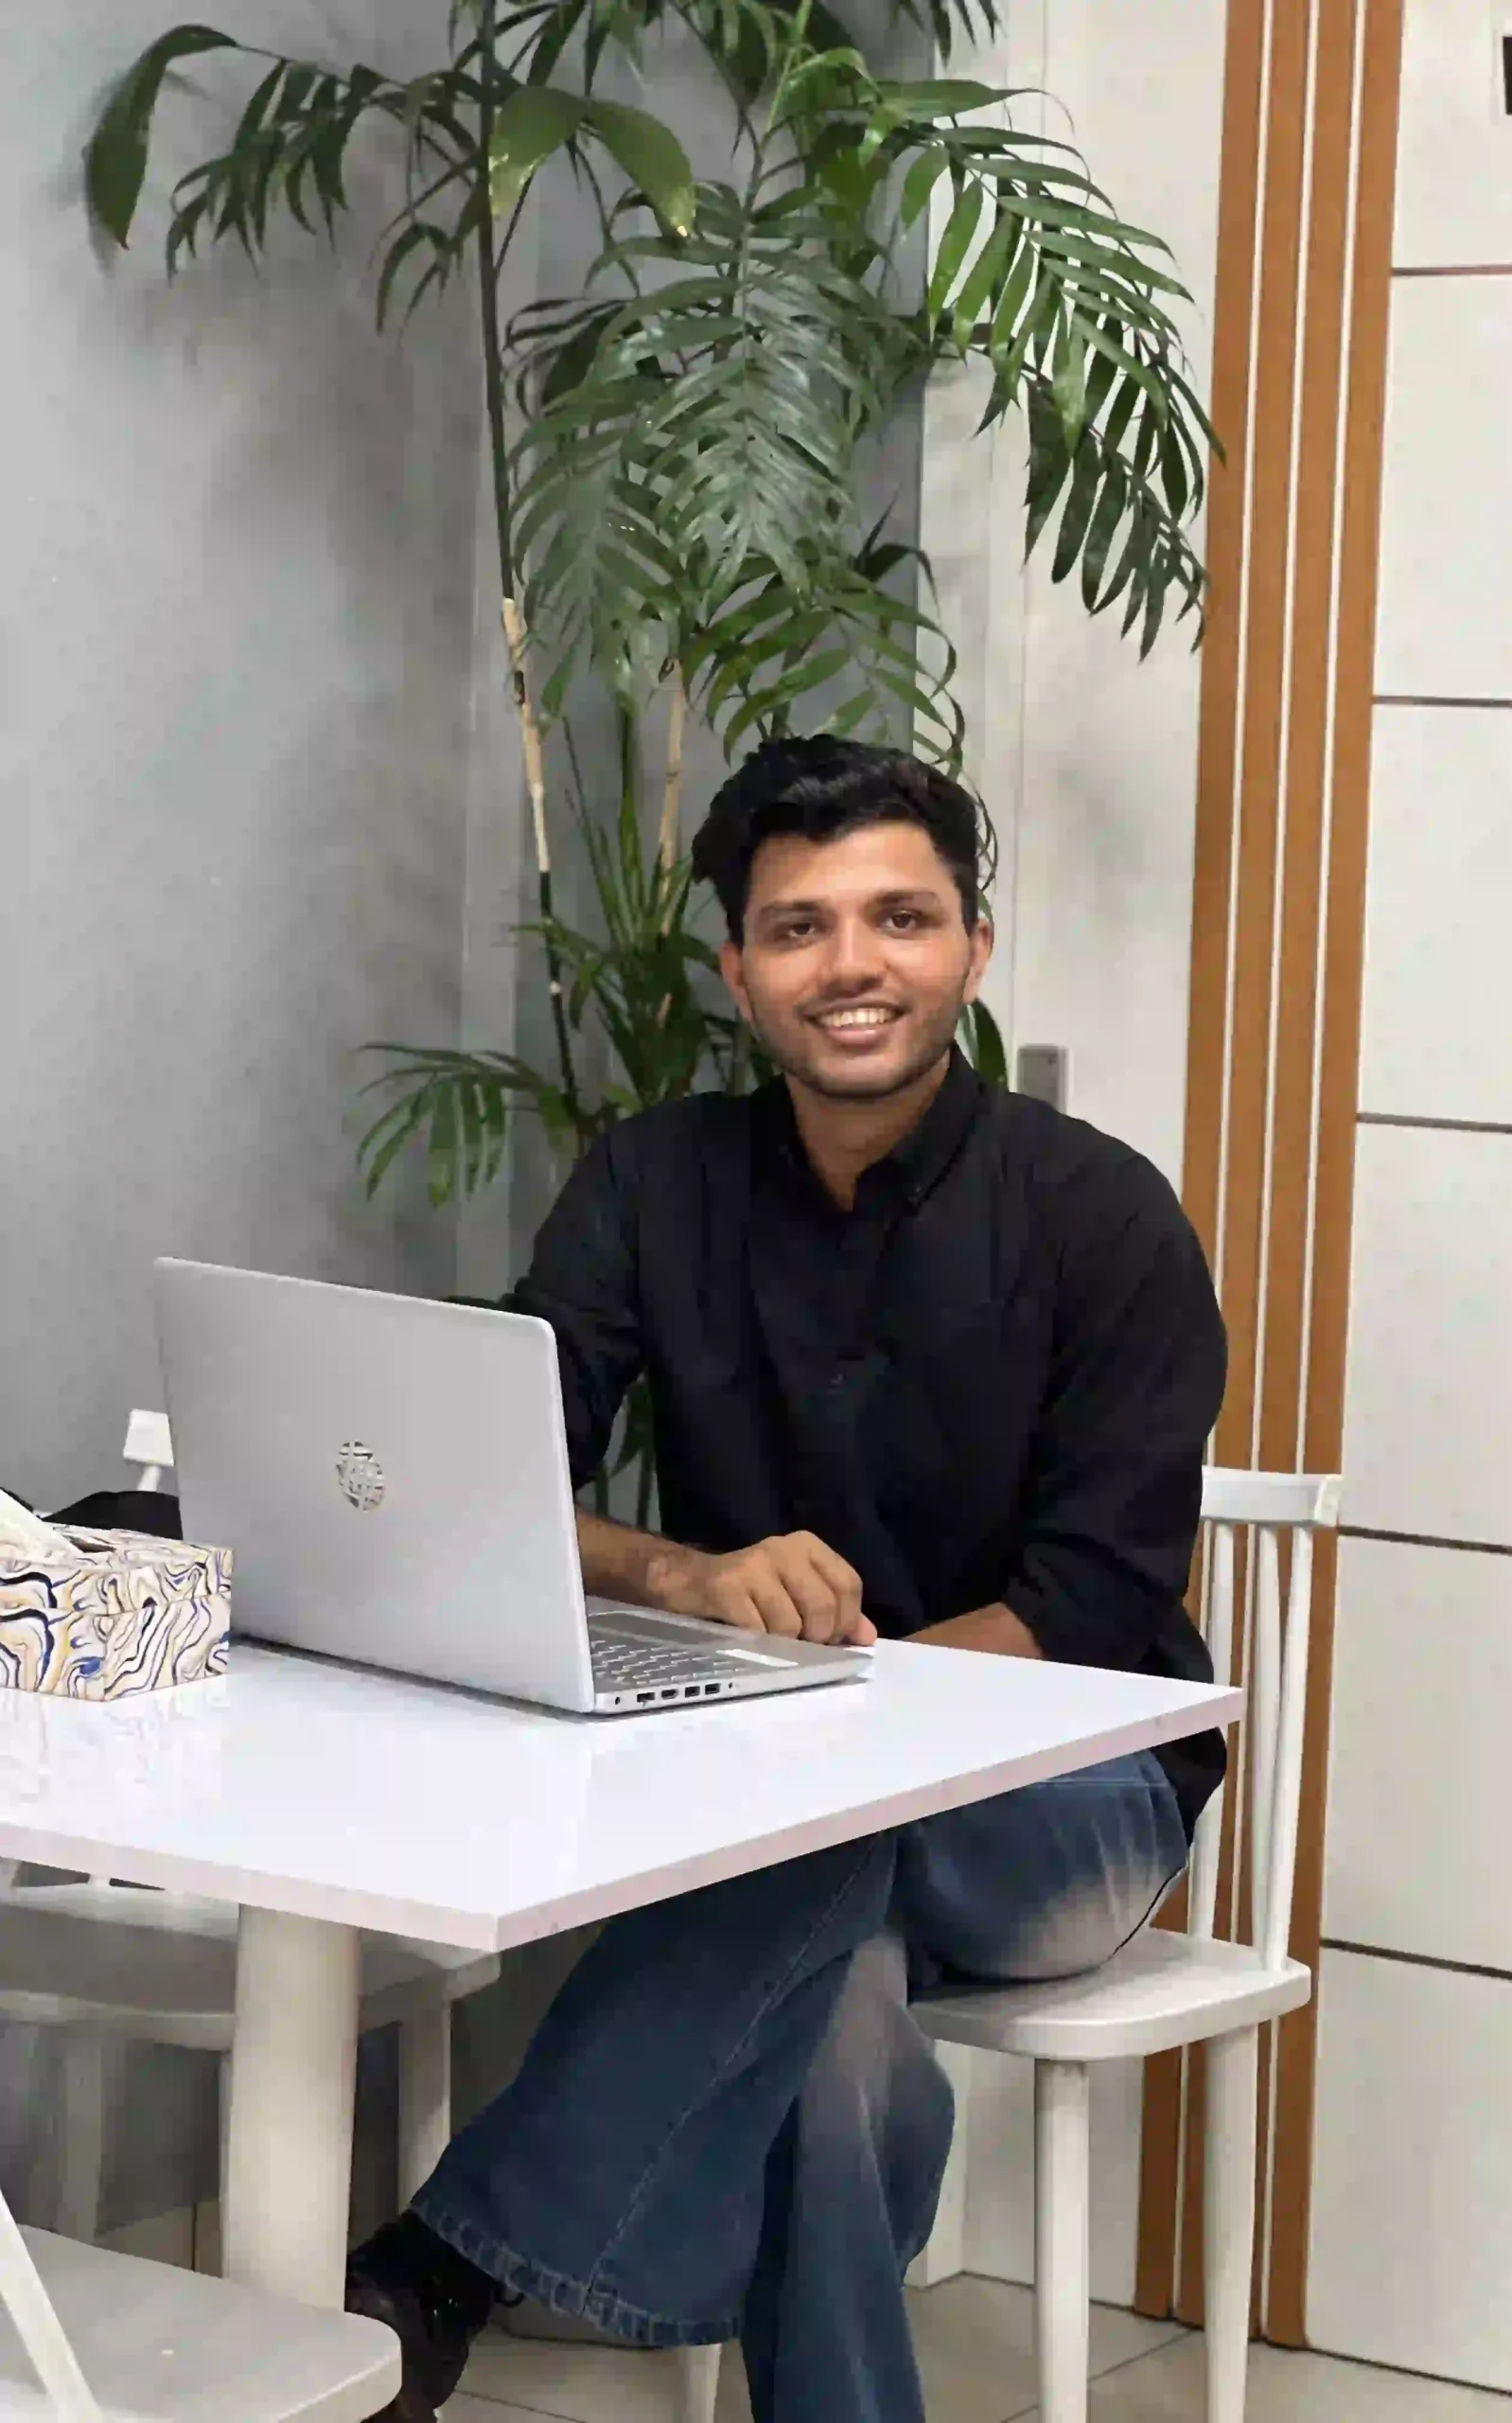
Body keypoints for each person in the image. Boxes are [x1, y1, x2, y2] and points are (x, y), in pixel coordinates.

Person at [345, 736, 1228, 2423]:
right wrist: (680, 1567)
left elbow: (1098, 1597)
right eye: (800, 926)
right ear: (741, 969)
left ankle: (445, 2265)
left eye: (899, 917)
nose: (853, 966)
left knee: (818, 1837)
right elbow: (498, 1469)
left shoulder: (1103, 1216)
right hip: (786, 1806)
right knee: (835, 2010)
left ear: (972, 946)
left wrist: (849, 1735)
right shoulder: (653, 1183)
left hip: (1073, 1791)